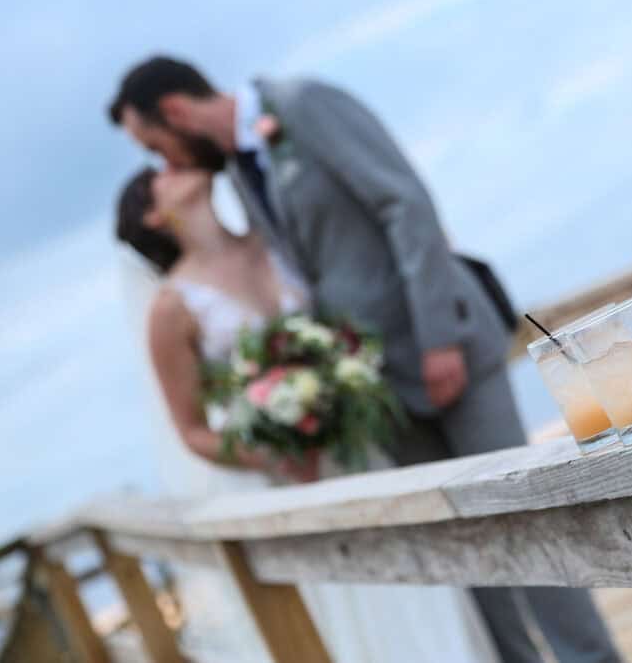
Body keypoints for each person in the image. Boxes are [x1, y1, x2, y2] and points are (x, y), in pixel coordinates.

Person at [109, 55, 622, 663]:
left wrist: (437, 341)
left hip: (445, 349)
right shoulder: (243, 178)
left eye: (155, 145)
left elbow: (403, 204)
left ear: (174, 111)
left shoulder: (301, 104)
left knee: (536, 519)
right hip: (373, 391)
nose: (164, 164)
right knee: (467, 553)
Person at [115, 166, 502, 662]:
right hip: (290, 482)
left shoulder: (271, 239)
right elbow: (191, 432)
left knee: (427, 598)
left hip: (358, 452)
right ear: (153, 214)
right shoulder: (170, 308)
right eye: (160, 175)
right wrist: (276, 457)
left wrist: (347, 384)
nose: (176, 166)